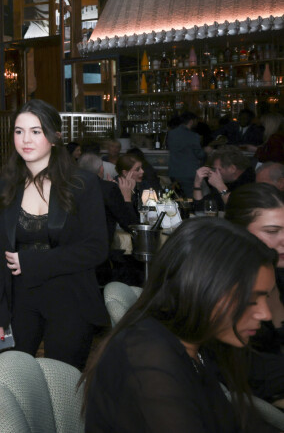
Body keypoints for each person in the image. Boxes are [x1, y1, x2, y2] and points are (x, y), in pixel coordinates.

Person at [83, 217, 279, 433]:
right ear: (202, 288)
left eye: (266, 298)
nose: (266, 314)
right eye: (251, 299)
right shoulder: (148, 354)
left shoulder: (196, 343)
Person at [0, 99, 109, 371]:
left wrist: (32, 262)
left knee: (60, 385)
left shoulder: (82, 184)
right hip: (20, 299)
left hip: (70, 298)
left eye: (36, 131)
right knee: (12, 376)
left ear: (55, 137)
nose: (25, 139)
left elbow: (97, 248)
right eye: (19, 131)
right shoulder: (8, 184)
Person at [226, 183, 284, 400]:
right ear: (237, 230)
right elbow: (239, 371)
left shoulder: (276, 272)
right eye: (272, 231)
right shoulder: (226, 283)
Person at [78, 152, 138, 245]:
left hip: (71, 247)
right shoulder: (108, 189)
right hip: (98, 249)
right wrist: (127, 197)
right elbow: (130, 225)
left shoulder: (69, 187)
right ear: (101, 169)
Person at [193, 145, 256, 210]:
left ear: (232, 169)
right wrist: (197, 185)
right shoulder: (227, 182)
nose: (214, 173)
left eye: (218, 169)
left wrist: (220, 186)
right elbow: (201, 209)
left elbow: (237, 209)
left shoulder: (251, 183)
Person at [167, 111, 207, 198]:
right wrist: (206, 151)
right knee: (189, 199)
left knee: (177, 197)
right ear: (191, 121)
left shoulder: (171, 134)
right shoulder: (193, 136)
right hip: (188, 174)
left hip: (174, 172)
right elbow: (200, 154)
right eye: (196, 121)